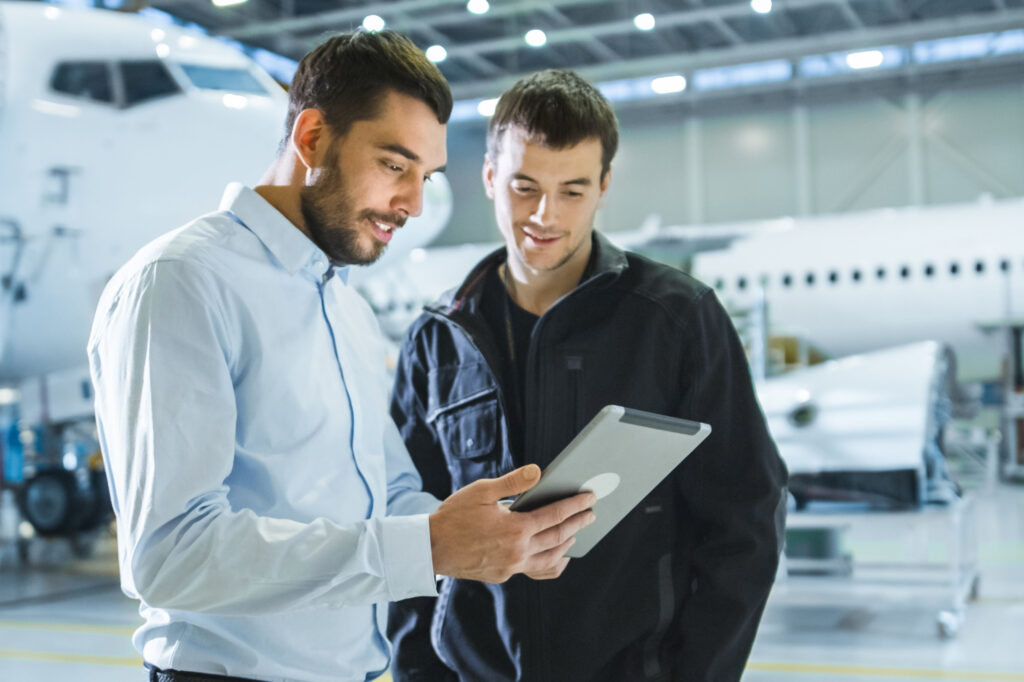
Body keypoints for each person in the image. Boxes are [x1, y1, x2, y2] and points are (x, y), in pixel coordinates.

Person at [87, 34, 595, 682]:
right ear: (312, 139)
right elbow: (171, 556)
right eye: (394, 165)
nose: (412, 203)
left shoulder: (344, 306)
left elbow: (385, 496)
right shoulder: (183, 281)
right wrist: (426, 545)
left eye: (425, 177)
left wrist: (497, 537)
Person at [388, 69, 789, 682]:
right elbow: (408, 526)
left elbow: (747, 519)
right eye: (524, 187)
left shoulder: (677, 320)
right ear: (490, 177)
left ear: (603, 187)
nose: (544, 215)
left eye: (572, 191)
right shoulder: (438, 339)